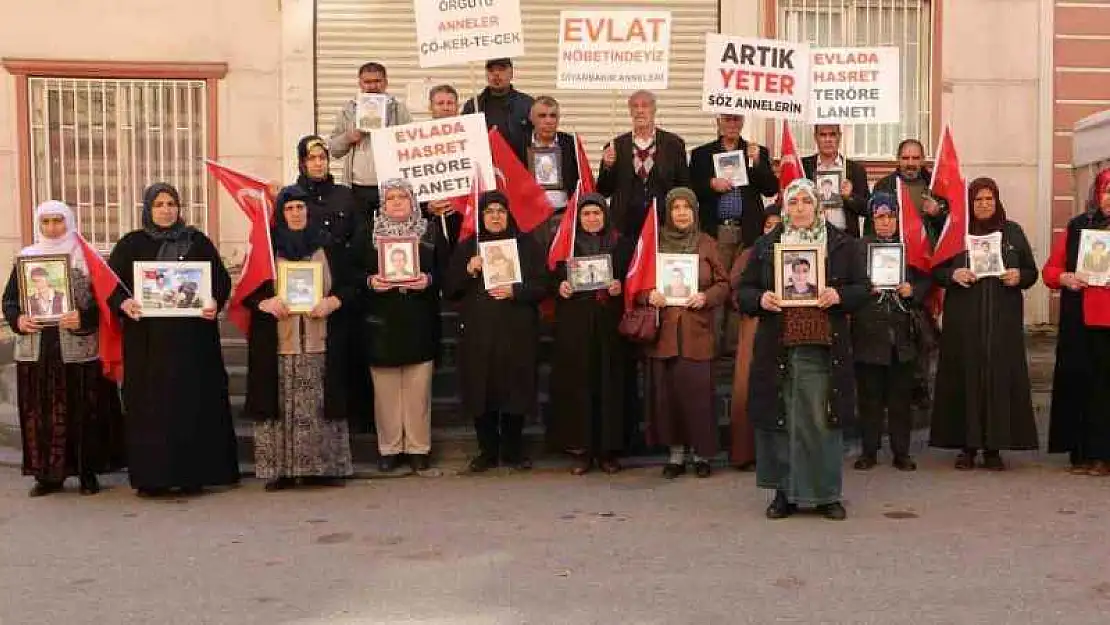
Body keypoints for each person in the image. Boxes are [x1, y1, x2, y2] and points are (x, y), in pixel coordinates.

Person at [739, 178, 869, 521]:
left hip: (824, 348)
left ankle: (827, 495)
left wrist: (839, 296)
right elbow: (744, 291)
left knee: (820, 422)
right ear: (785, 208)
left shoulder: (842, 245)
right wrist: (760, 298)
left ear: (818, 207)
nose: (799, 209)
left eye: (806, 203)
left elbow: (863, 289)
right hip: (779, 348)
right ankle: (784, 494)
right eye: (793, 203)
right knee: (782, 422)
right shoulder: (768, 245)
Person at [107, 183, 239, 496]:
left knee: (191, 404)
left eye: (171, 203)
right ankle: (153, 478)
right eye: (159, 204)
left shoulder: (196, 242)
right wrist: (123, 303)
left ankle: (192, 474)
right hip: (148, 345)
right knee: (151, 408)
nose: (166, 210)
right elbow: (111, 284)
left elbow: (220, 280)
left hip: (191, 343)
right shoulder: (131, 244)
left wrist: (214, 303)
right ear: (148, 209)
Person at [2, 200, 125, 496]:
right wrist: (19, 318)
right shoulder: (27, 258)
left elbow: (105, 303)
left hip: (77, 347)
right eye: (46, 221)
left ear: (68, 221)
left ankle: (86, 473)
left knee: (83, 412)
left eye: (58, 220)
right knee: (40, 413)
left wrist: (83, 317)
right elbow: (10, 300)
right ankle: (48, 475)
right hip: (38, 348)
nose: (52, 227)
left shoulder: (85, 257)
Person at [242, 186, 355, 491]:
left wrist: (332, 302)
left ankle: (325, 468)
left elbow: (350, 286)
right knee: (279, 404)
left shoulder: (328, 246)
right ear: (281, 213)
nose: (295, 213)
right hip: (279, 343)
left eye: (300, 207)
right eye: (289, 208)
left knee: (320, 404)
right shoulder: (267, 249)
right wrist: (265, 303)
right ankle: (282, 470)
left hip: (320, 341)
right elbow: (247, 292)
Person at [930, 177, 1039, 470]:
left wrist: (1019, 276)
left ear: (997, 200)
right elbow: (935, 270)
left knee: (998, 379)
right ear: (970, 203)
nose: (984, 204)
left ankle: (993, 448)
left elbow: (1031, 271)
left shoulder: (1012, 232)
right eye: (978, 200)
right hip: (964, 322)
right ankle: (966, 448)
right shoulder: (956, 232)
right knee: (965, 377)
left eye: (989, 199)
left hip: (1001, 322)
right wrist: (953, 275)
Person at [445, 191, 546, 472]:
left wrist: (517, 290)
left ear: (508, 214)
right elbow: (450, 288)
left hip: (517, 333)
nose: (495, 216)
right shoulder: (468, 246)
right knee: (482, 390)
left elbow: (542, 285)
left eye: (500, 211)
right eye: (489, 212)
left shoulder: (526, 245)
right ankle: (487, 451)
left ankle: (513, 451)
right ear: (481, 216)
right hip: (479, 335)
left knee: (515, 390)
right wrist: (468, 269)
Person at [640, 188, 729, 479]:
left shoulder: (706, 244)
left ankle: (702, 454)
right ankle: (676, 454)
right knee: (669, 398)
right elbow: (637, 283)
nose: (681, 213)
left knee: (699, 395)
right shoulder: (655, 244)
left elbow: (724, 284)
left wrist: (706, 298)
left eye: (686, 207)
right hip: (664, 334)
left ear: (695, 211)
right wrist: (648, 295)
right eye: (675, 207)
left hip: (697, 332)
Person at [363, 179, 445, 474]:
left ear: (413, 202)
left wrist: (429, 281)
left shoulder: (430, 233)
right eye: (390, 198)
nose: (396, 202)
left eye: (402, 197)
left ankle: (418, 448)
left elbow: (444, 270)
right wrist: (371, 282)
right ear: (382, 205)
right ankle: (390, 448)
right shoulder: (367, 236)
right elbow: (354, 272)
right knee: (385, 390)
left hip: (418, 319)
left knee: (417, 388)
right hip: (382, 321)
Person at [291, 135, 373, 430]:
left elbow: (361, 234)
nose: (318, 163)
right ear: (302, 161)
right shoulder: (292, 196)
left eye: (322, 157)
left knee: (347, 354)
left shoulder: (344, 195)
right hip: (305, 288)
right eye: (311, 158)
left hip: (343, 285)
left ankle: (354, 423)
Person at [548, 194, 632, 474]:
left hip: (610, 325)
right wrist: (560, 287)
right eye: (586, 214)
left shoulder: (621, 245)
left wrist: (621, 288)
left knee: (610, 385)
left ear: (605, 215)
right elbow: (550, 278)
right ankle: (581, 450)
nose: (592, 218)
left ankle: (608, 451)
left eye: (597, 213)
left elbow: (635, 277)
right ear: (578, 218)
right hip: (576, 325)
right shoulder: (566, 245)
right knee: (579, 385)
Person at [851, 193, 932, 472]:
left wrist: (913, 290)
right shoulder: (858, 249)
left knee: (900, 398)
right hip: (869, 331)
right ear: (872, 220)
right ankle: (869, 451)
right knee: (870, 397)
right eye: (880, 217)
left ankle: (901, 452)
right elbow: (847, 285)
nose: (886, 223)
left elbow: (926, 281)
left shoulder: (909, 248)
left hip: (901, 334)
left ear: (897, 218)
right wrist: (865, 289)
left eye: (890, 217)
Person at [689, 113, 779, 354]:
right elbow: (690, 189)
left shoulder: (756, 151)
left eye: (736, 120)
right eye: (727, 120)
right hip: (716, 231)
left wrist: (757, 161)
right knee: (717, 286)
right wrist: (711, 184)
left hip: (747, 230)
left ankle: (735, 349)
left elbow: (771, 188)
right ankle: (712, 347)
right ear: (717, 121)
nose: (731, 125)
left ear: (742, 122)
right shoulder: (701, 154)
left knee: (740, 287)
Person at [1043, 169, 1110, 475]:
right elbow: (1050, 271)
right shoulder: (1078, 227)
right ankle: (1082, 452)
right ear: (1097, 194)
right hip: (1080, 321)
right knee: (1081, 386)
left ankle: (1104, 456)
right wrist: (1065, 277)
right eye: (1106, 190)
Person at [728, 207, 783, 470]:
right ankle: (745, 453)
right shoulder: (751, 253)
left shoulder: (798, 253)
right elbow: (736, 289)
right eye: (768, 224)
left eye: (778, 224)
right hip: (754, 325)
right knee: (747, 388)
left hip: (783, 326)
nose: (773, 229)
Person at [598, 90, 691, 239]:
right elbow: (604, 190)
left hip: (662, 225)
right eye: (635, 106)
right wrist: (607, 166)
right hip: (624, 228)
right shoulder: (615, 145)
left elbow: (684, 187)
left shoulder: (674, 144)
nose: (640, 110)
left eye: (645, 105)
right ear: (630, 111)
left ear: (654, 109)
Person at [327, 62, 413, 213]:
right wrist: (348, 137)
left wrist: (391, 136)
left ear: (386, 83)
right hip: (357, 187)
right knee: (361, 234)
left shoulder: (399, 109)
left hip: (391, 188)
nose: (372, 86)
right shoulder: (348, 110)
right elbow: (334, 150)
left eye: (377, 81)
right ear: (360, 83)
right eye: (367, 82)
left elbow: (412, 146)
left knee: (388, 234)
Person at [524, 97, 583, 252]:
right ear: (531, 118)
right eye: (542, 116)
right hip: (532, 219)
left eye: (553, 116)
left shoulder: (570, 143)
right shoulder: (520, 144)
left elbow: (581, 179)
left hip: (563, 216)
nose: (548, 121)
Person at [801, 124, 870, 236]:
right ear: (815, 137)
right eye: (823, 135)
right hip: (811, 235)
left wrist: (850, 196)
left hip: (845, 238)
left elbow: (866, 208)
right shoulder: (803, 166)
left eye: (832, 135)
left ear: (840, 137)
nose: (828, 139)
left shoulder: (855, 169)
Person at [462, 58, 535, 161]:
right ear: (486, 75)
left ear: (511, 73)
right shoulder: (472, 106)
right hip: (485, 170)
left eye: (501, 69)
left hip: (519, 169)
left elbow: (539, 140)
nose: (496, 74)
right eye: (491, 70)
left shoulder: (528, 104)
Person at [425, 84, 465, 249]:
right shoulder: (415, 138)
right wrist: (426, 206)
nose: (446, 108)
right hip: (432, 217)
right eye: (440, 103)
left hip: (464, 216)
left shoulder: (471, 134)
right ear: (430, 107)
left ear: (457, 107)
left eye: (450, 103)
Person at [873, 139, 933, 236]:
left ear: (923, 160)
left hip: (928, 247)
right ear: (898, 160)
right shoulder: (883, 185)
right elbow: (874, 224)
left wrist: (937, 212)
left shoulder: (934, 185)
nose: (910, 163)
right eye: (905, 158)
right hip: (895, 246)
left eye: (915, 158)